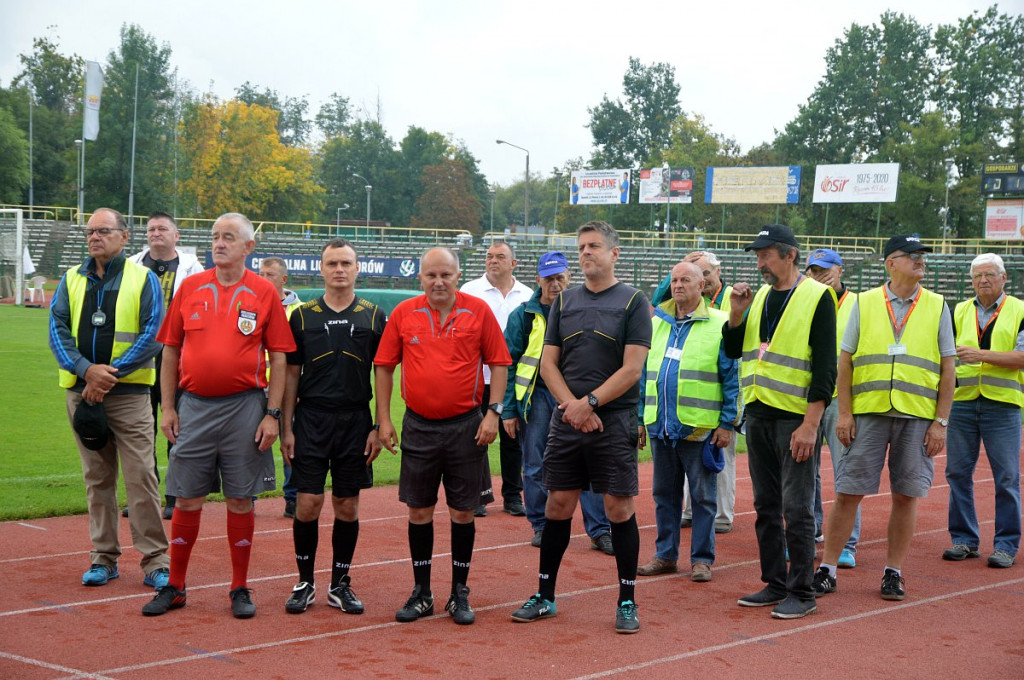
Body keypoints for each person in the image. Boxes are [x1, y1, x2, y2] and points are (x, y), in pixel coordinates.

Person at [142, 212, 296, 619]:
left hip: (246, 407)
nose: (219, 243)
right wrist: (169, 407)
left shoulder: (264, 292)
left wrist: (273, 415)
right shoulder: (189, 287)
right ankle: (175, 586)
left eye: (229, 237)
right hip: (193, 407)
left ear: (248, 247)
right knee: (187, 498)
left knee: (240, 500)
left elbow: (279, 357)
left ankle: (240, 588)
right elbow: (170, 350)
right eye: (215, 237)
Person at [510, 221, 652, 634]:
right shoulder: (564, 301)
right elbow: (548, 363)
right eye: (582, 247)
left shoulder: (634, 302)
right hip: (568, 419)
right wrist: (571, 407)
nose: (586, 252)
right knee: (557, 506)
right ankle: (545, 595)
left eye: (593, 246)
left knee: (617, 509)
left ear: (614, 253)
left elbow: (632, 369)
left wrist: (589, 403)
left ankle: (627, 600)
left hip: (613, 420)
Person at [374, 247, 511, 626]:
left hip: (467, 426)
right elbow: (384, 367)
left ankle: (459, 591)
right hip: (418, 425)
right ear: (420, 278)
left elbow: (498, 362)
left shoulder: (478, 311)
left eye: (445, 275)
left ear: (457, 275)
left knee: (463, 511)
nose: (438, 282)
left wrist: (493, 413)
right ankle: (422, 592)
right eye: (431, 275)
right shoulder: (404, 313)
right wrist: (383, 420)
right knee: (418, 510)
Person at [814, 234, 955, 601]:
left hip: (917, 417)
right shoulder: (866, 302)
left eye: (922, 255)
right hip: (868, 413)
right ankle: (827, 568)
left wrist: (941, 422)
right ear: (891, 263)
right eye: (912, 256)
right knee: (848, 491)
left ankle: (893, 571)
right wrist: (844, 413)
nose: (920, 261)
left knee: (907, 495)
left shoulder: (938, 305)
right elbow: (845, 362)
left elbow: (948, 367)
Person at [48, 207, 169, 589]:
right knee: (97, 478)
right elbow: (57, 331)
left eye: (103, 230)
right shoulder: (70, 279)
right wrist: (87, 371)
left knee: (141, 477)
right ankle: (104, 558)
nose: (95, 237)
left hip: (128, 394)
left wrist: (106, 375)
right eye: (90, 232)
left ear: (124, 236)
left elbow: (153, 334)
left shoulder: (143, 279)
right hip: (82, 393)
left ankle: (155, 561)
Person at [724, 224, 836, 620]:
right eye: (757, 255)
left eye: (766, 254)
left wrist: (811, 424)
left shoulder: (817, 296)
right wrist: (736, 315)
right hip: (757, 414)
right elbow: (734, 349)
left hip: (795, 419)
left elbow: (825, 368)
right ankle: (775, 581)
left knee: (797, 506)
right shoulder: (758, 300)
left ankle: (802, 591)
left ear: (789, 255)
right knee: (765, 504)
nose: (759, 262)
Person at [281, 239, 387, 614]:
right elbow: (291, 373)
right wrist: (286, 426)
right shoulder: (302, 316)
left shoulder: (375, 316)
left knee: (347, 504)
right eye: (332, 263)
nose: (339, 269)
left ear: (358, 268)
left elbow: (383, 373)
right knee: (307, 504)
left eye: (346, 263)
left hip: (356, 421)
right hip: (310, 419)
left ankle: (340, 583)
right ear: (321, 269)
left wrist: (379, 424)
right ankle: (305, 581)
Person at [502, 251, 614, 552]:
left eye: (559, 277)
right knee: (536, 463)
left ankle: (600, 529)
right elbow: (507, 363)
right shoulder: (523, 315)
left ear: (569, 278)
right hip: (537, 397)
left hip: (577, 396)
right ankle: (540, 525)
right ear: (538, 279)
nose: (555, 284)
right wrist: (509, 410)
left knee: (588, 461)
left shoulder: (584, 309)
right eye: (548, 278)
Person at [637, 260, 740, 583]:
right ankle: (665, 555)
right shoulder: (656, 324)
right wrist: (639, 418)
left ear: (702, 286)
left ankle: (701, 559)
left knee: (703, 497)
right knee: (664, 496)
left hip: (699, 427)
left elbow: (731, 377)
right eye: (674, 280)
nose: (678, 285)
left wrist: (726, 423)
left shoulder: (720, 322)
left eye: (686, 280)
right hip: (660, 425)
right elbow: (642, 376)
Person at [943, 253, 1023, 569]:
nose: (983, 280)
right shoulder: (958, 310)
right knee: (957, 474)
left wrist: (982, 356)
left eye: (989, 274)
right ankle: (963, 540)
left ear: (1004, 278)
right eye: (977, 276)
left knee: (1007, 478)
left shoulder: (1019, 309)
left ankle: (1005, 545)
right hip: (962, 403)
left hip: (1002, 406)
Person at [128, 211, 203, 520]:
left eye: (162, 228)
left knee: (177, 430)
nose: (155, 233)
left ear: (176, 236)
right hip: (140, 358)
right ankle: (145, 498)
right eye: (151, 229)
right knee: (141, 432)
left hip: (179, 359)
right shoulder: (131, 265)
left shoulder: (192, 268)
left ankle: (174, 496)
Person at [460, 241, 532, 517]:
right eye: (489, 256)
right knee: (475, 438)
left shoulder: (527, 294)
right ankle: (477, 493)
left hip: (513, 380)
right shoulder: (469, 290)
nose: (493, 261)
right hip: (476, 378)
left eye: (500, 257)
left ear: (513, 263)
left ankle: (513, 495)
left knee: (512, 438)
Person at [806, 248, 860, 567]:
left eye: (826, 268)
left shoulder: (859, 304)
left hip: (842, 400)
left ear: (840, 270)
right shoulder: (804, 300)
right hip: (809, 396)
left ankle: (847, 543)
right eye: (813, 270)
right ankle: (809, 533)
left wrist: (851, 408)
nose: (820, 274)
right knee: (804, 472)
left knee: (847, 472)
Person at [680, 250, 737, 534]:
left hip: (722, 386)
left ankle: (723, 515)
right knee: (692, 455)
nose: (703, 279)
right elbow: (659, 304)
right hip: (695, 392)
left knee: (720, 456)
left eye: (706, 272)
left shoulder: (732, 298)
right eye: (697, 274)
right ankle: (690, 510)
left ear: (718, 271)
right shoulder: (689, 299)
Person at [257, 256, 303, 519]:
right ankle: (247, 497)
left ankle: (293, 499)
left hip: (287, 388)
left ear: (283, 280)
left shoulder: (301, 311)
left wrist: (298, 390)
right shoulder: (251, 304)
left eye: (269, 275)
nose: (263, 278)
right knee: (250, 443)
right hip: (256, 385)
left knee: (291, 441)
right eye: (260, 273)